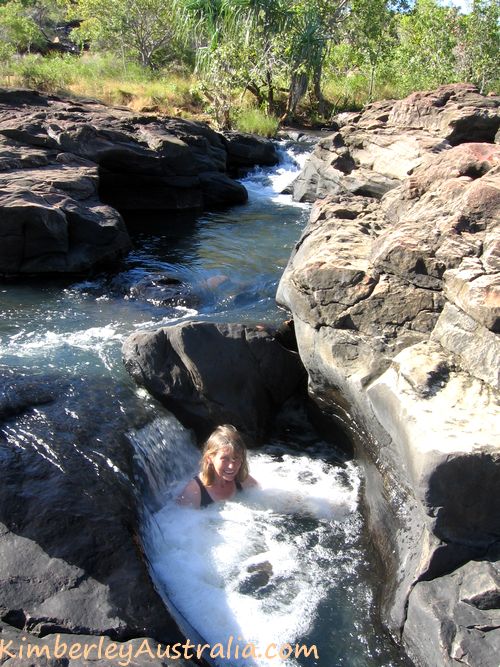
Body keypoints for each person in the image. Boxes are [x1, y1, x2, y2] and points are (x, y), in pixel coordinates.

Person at [177, 425, 258, 508]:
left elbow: (260, 496)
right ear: (209, 458)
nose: (231, 466)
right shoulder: (194, 492)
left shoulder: (241, 479)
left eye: (236, 458)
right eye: (225, 459)